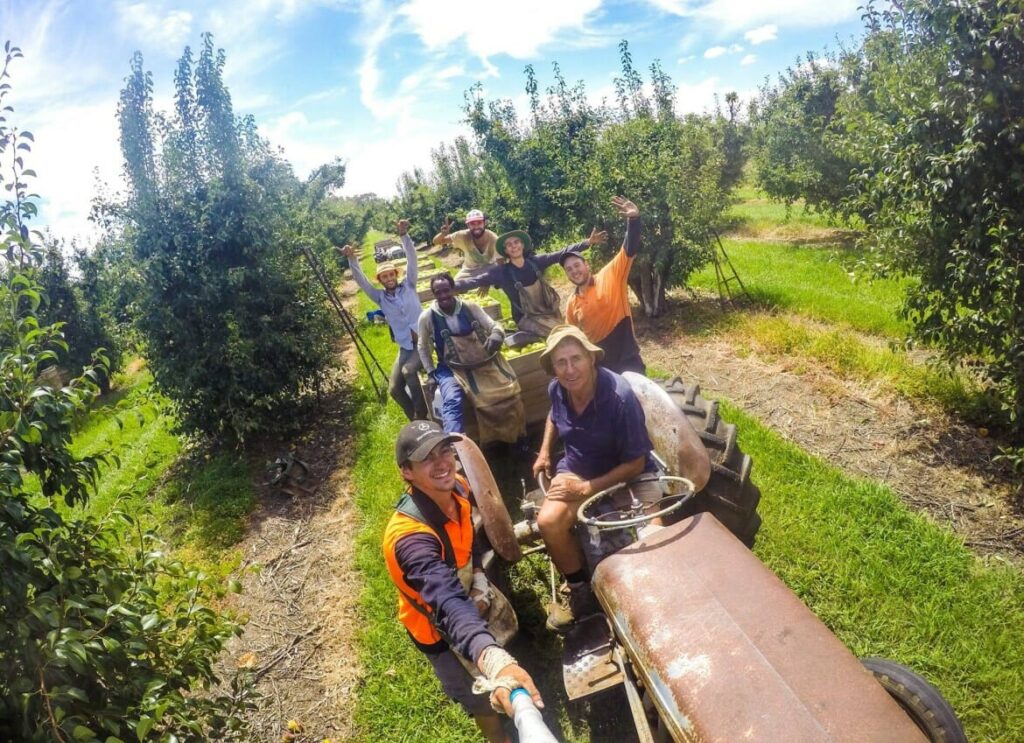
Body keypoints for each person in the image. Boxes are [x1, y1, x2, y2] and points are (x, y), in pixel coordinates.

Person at [383, 420, 542, 743]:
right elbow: (448, 604)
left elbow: (470, 535)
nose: (442, 462)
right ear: (406, 472)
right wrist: (494, 660)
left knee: (488, 649)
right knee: (478, 699)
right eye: (427, 458)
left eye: (445, 451)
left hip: (469, 588)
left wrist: (480, 577)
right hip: (436, 630)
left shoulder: (457, 486)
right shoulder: (411, 540)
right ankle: (498, 738)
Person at [532, 325, 659, 631]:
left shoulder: (620, 398)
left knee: (654, 538)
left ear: (591, 359)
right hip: (578, 466)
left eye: (576, 358)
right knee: (549, 522)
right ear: (553, 368)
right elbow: (553, 414)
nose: (569, 369)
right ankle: (580, 590)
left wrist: (586, 488)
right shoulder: (557, 389)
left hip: (628, 474)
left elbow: (636, 462)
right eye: (560, 363)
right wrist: (545, 451)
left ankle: (654, 605)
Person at [418, 273, 526, 446]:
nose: (443, 296)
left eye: (446, 290)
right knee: (452, 399)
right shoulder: (427, 317)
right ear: (433, 294)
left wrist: (497, 336)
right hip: (451, 367)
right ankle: (455, 448)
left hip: (480, 359)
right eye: (438, 292)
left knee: (509, 388)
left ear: (453, 289)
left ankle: (517, 436)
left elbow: (494, 325)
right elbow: (423, 346)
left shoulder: (470, 307)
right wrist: (431, 372)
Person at [340, 220, 428, 420]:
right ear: (379, 280)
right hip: (406, 347)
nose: (389, 278)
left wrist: (404, 235)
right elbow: (361, 281)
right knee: (394, 389)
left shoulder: (409, 285)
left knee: (409, 371)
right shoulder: (380, 297)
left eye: (391, 274)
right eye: (384, 276)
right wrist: (352, 259)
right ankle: (413, 418)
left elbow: (412, 260)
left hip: (424, 342)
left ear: (396, 275)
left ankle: (423, 417)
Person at [454, 227, 608, 340]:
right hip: (527, 318)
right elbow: (475, 280)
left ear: (522, 245)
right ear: (506, 250)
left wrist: (588, 242)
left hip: (548, 312)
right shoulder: (501, 272)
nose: (514, 246)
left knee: (568, 330)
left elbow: (561, 252)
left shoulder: (535, 262)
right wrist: (452, 287)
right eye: (509, 244)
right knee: (564, 334)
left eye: (516, 242)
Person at [562, 196, 646, 375]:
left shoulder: (611, 275)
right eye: (569, 269)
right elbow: (572, 335)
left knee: (638, 400)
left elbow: (629, 249)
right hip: (600, 365)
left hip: (627, 357)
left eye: (577, 265)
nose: (574, 271)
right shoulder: (572, 303)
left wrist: (634, 220)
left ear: (587, 265)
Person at [433, 209, 501, 280]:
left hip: (489, 267)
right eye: (472, 224)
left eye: (479, 223)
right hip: (470, 270)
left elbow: (500, 260)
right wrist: (443, 234)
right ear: (468, 225)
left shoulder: (493, 238)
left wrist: (488, 280)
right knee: (455, 286)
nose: (476, 226)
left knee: (502, 279)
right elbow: (436, 242)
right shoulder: (463, 236)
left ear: (484, 223)